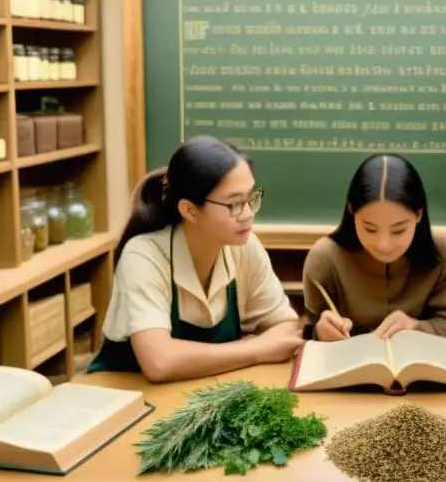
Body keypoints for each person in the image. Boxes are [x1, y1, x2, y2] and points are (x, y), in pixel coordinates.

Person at [90, 136, 303, 382]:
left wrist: (260, 346)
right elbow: (160, 362)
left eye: (251, 197)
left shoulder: (245, 247)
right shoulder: (143, 255)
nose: (247, 214)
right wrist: (257, 349)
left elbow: (285, 328)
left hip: (201, 396)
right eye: (234, 204)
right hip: (132, 401)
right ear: (190, 210)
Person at [302, 154, 446, 341]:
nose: (384, 245)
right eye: (370, 228)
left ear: (419, 215)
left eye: (398, 231)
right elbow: (308, 330)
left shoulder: (445, 254)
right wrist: (320, 332)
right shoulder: (324, 259)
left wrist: (416, 326)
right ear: (351, 212)